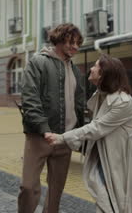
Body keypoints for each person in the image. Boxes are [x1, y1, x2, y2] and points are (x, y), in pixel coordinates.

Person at [45, 54, 132, 213]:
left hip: (121, 157)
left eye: (96, 66)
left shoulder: (123, 101)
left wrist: (62, 138)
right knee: (105, 195)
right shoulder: (102, 95)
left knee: (123, 200)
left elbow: (96, 127)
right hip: (105, 154)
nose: (91, 68)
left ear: (105, 73)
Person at [18, 23, 85, 213]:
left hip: (65, 139)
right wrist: (43, 128)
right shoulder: (38, 62)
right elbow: (30, 99)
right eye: (71, 42)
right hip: (39, 137)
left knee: (56, 192)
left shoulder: (76, 70)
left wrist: (79, 134)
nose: (76, 47)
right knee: (28, 187)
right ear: (59, 39)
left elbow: (79, 106)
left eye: (78, 44)